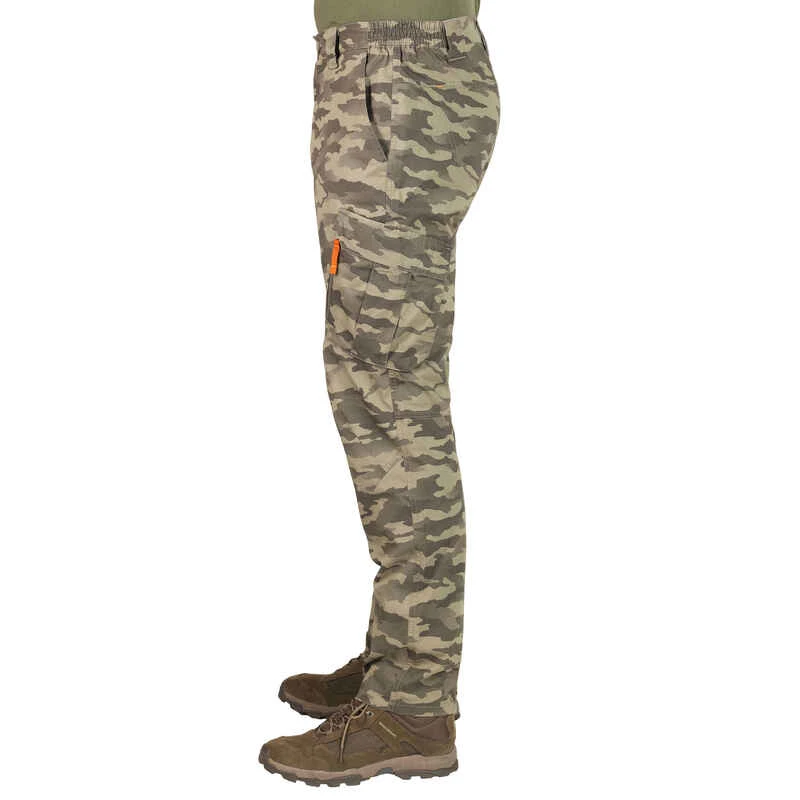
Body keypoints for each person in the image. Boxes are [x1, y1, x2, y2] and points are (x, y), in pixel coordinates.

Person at [259, 0, 498, 785]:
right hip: (381, 72)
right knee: (374, 377)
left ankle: (413, 701)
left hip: (395, 74)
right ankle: (402, 655)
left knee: (391, 390)